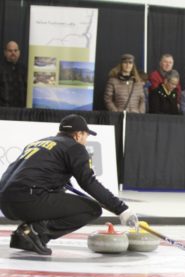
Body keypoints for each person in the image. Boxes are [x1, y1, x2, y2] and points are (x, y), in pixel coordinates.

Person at [0, 114, 139, 255]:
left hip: (5, 202)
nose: (85, 140)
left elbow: (45, 175)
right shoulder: (75, 148)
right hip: (27, 199)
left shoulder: (41, 143)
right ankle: (34, 232)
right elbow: (88, 182)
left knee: (60, 194)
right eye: (86, 136)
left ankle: (25, 235)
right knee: (91, 209)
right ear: (78, 134)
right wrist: (122, 210)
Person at [0, 41, 27, 107]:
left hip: (21, 111)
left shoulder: (24, 69)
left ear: (19, 52)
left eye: (15, 50)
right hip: (4, 111)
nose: (13, 53)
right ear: (5, 52)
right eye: (10, 51)